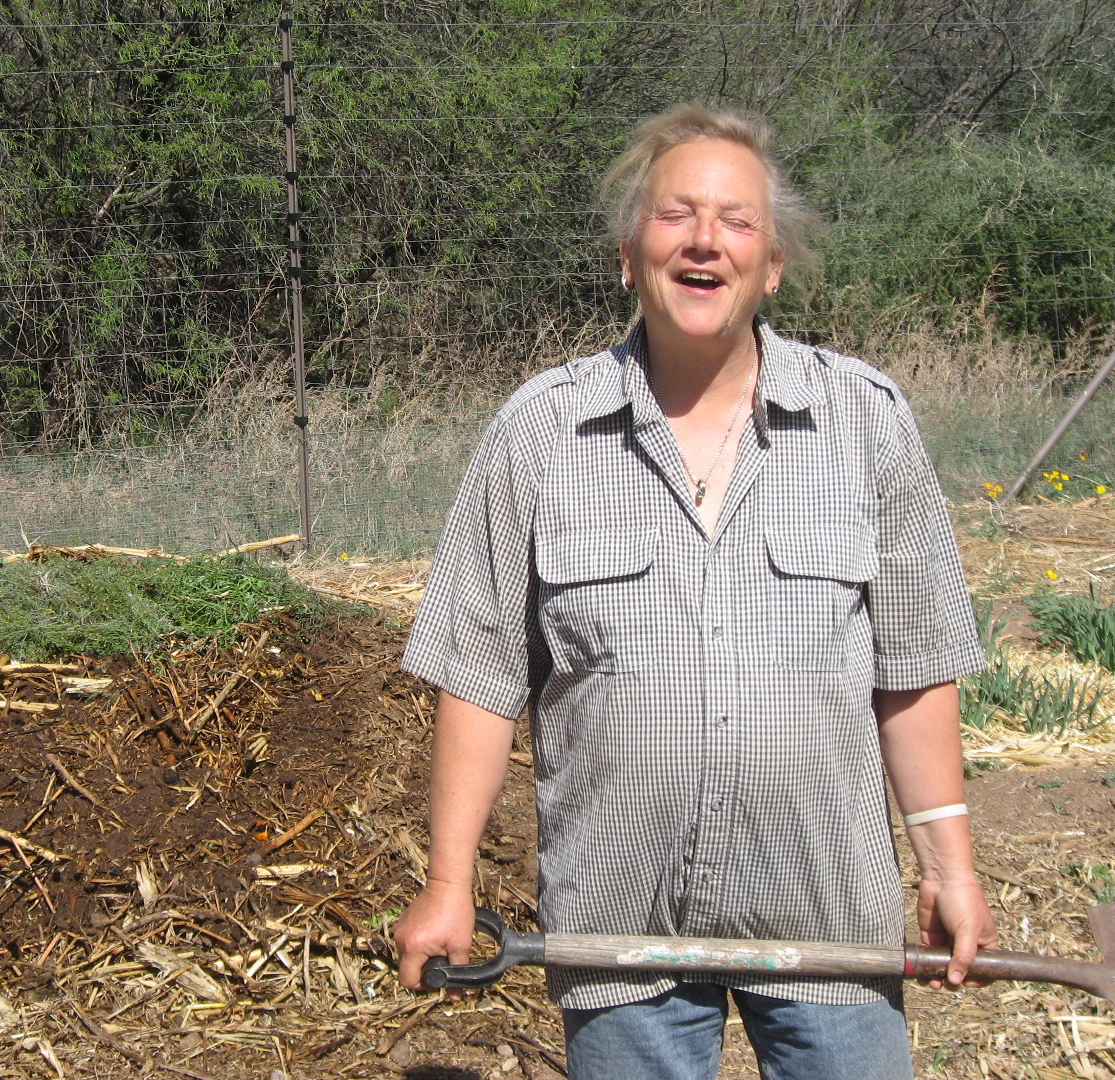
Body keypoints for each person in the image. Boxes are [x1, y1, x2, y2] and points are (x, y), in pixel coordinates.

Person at [393, 105, 998, 1080]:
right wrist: (448, 883)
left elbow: (915, 669)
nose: (705, 239)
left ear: (773, 264)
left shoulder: (864, 423)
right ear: (629, 256)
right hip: (619, 926)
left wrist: (950, 869)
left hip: (826, 918)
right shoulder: (541, 433)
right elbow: (479, 674)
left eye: (737, 220)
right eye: (676, 214)